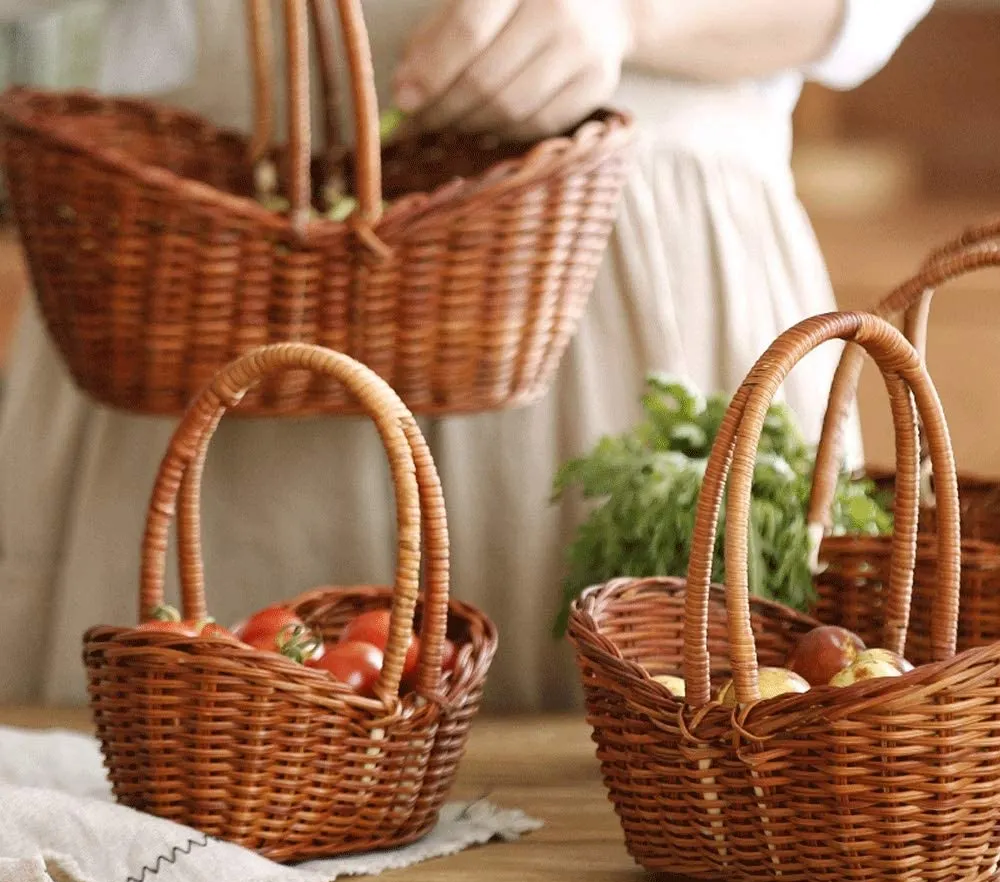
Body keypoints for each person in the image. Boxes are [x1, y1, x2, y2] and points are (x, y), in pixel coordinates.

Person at [0, 0, 932, 710]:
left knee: (672, 795)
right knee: (168, 790)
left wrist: (624, 11)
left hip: (615, 258)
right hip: (190, 266)